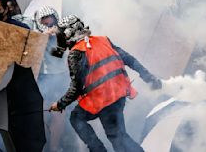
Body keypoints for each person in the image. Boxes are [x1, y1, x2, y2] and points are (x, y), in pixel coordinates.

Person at [49, 15, 162, 152]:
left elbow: (76, 88)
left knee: (78, 119)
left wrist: (60, 104)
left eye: (61, 34)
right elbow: (129, 59)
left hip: (103, 99)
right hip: (118, 93)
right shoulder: (103, 40)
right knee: (118, 138)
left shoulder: (76, 54)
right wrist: (149, 77)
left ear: (68, 33)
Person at [34, 6, 70, 152]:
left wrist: (55, 34)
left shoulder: (63, 32)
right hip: (44, 78)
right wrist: (43, 37)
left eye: (51, 19)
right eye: (44, 20)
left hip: (61, 77)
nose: (48, 22)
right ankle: (44, 145)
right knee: (42, 115)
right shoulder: (37, 35)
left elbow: (61, 51)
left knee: (58, 116)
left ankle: (54, 147)